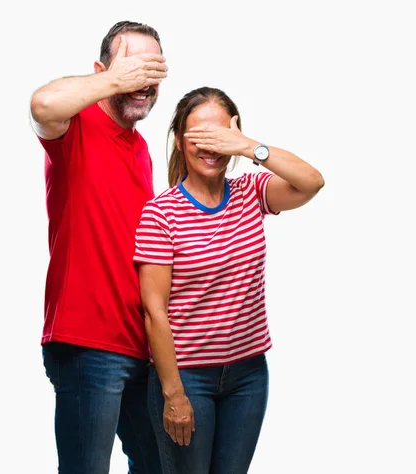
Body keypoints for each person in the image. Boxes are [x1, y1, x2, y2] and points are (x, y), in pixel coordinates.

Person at [133, 86, 325, 474]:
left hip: (248, 376)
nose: (210, 147)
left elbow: (312, 182)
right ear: (178, 141)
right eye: (199, 136)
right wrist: (174, 395)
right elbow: (154, 311)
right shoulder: (160, 214)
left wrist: (250, 146)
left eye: (219, 136)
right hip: (186, 378)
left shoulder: (250, 193)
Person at [29, 21, 168, 474]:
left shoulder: (142, 149)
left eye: (153, 69)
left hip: (140, 344)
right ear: (102, 70)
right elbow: (42, 103)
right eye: (133, 65)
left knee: (161, 464)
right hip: (88, 343)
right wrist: (115, 78)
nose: (143, 80)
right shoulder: (75, 125)